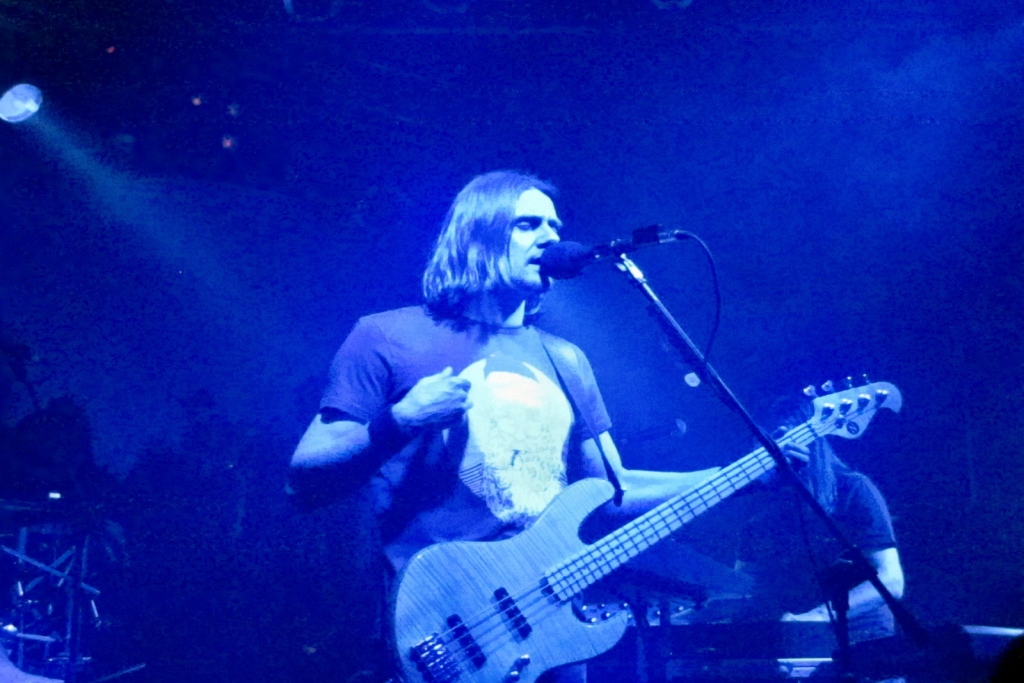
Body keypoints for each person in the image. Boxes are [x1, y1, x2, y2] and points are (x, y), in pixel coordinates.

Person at [289, 170, 717, 682]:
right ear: (476, 236)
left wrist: (737, 476)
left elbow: (611, 491)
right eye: (528, 224)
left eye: (555, 227)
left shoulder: (566, 359)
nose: (550, 237)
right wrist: (398, 422)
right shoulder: (386, 336)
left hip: (553, 634)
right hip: (445, 630)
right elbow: (304, 478)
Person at [731, 398, 905, 645]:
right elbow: (740, 589)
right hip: (792, 641)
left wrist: (816, 618)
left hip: (860, 640)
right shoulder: (758, 508)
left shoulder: (853, 489)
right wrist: (689, 610)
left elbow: (891, 580)